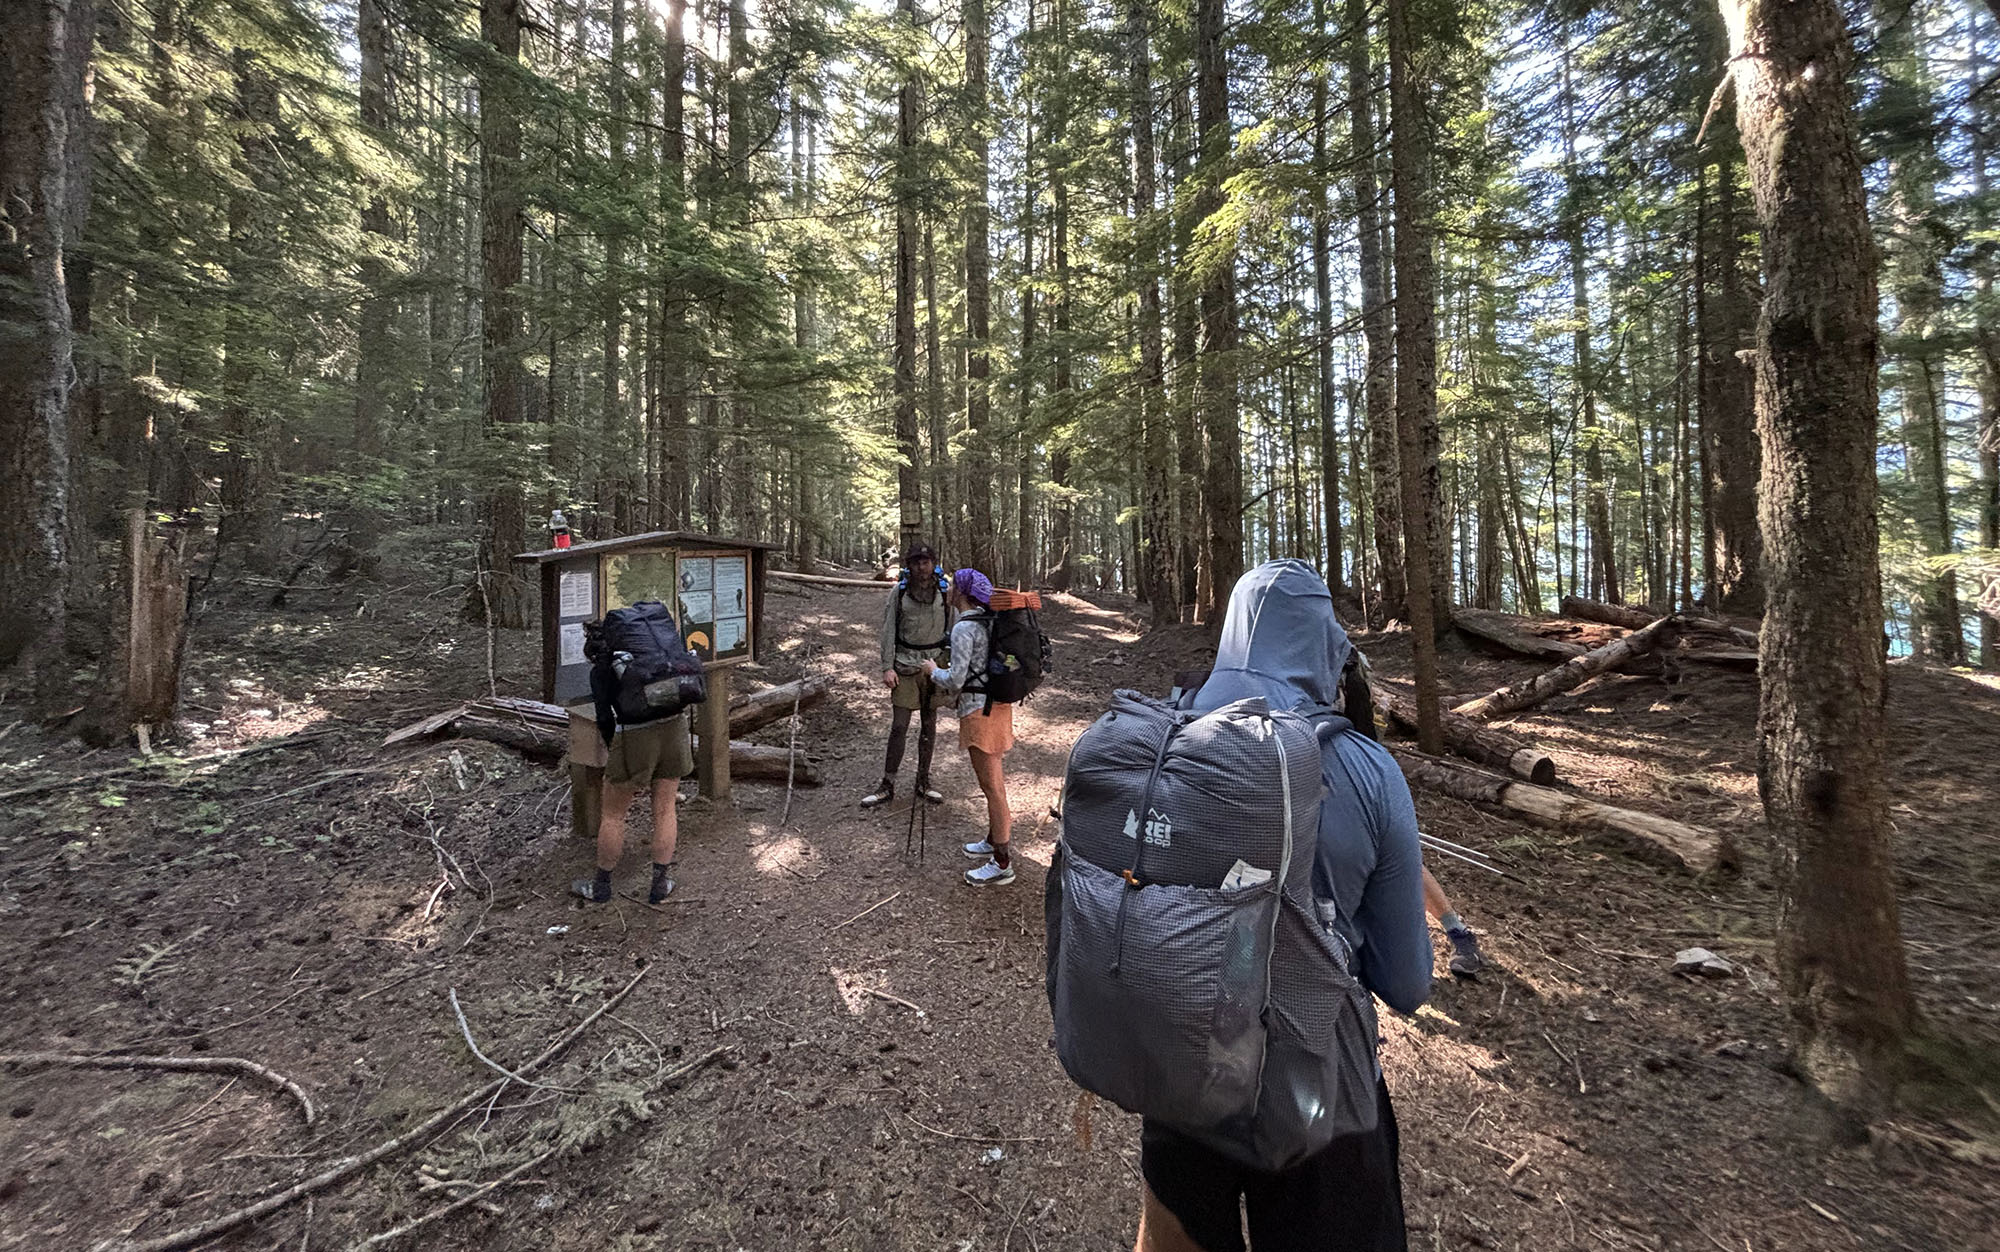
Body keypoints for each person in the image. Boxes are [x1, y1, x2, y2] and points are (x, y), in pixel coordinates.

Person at [1137, 559, 1429, 1252]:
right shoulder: (1366, 769)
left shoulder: (1164, 740)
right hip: (1323, 1102)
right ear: (1323, 640)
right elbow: (1407, 985)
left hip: (1180, 1073)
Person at [1338, 651, 1487, 980]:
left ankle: (1458, 935)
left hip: (1361, 772)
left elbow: (1363, 725)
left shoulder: (1341, 662)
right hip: (1327, 773)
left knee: (1399, 855)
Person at [570, 620, 691, 906]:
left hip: (634, 736)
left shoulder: (602, 670)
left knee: (613, 815)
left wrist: (615, 748)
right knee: (665, 809)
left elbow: (603, 717)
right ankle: (660, 884)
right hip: (674, 729)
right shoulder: (648, 656)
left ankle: (601, 887)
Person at [920, 568, 1016, 887]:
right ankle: (992, 839)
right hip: (998, 707)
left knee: (992, 788)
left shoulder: (965, 627)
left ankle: (1002, 862)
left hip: (979, 712)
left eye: (952, 586)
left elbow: (957, 678)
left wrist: (933, 671)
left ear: (961, 592)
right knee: (994, 783)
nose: (946, 589)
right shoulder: (991, 622)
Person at [861, 542, 952, 809]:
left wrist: (950, 664)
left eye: (926, 562)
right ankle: (887, 784)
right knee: (899, 725)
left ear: (933, 562)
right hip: (903, 664)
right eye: (916, 562)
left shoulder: (944, 590)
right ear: (908, 565)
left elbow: (955, 626)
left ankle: (923, 781)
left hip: (934, 664)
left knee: (929, 725)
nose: (921, 567)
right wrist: (886, 666)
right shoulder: (898, 592)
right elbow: (888, 630)